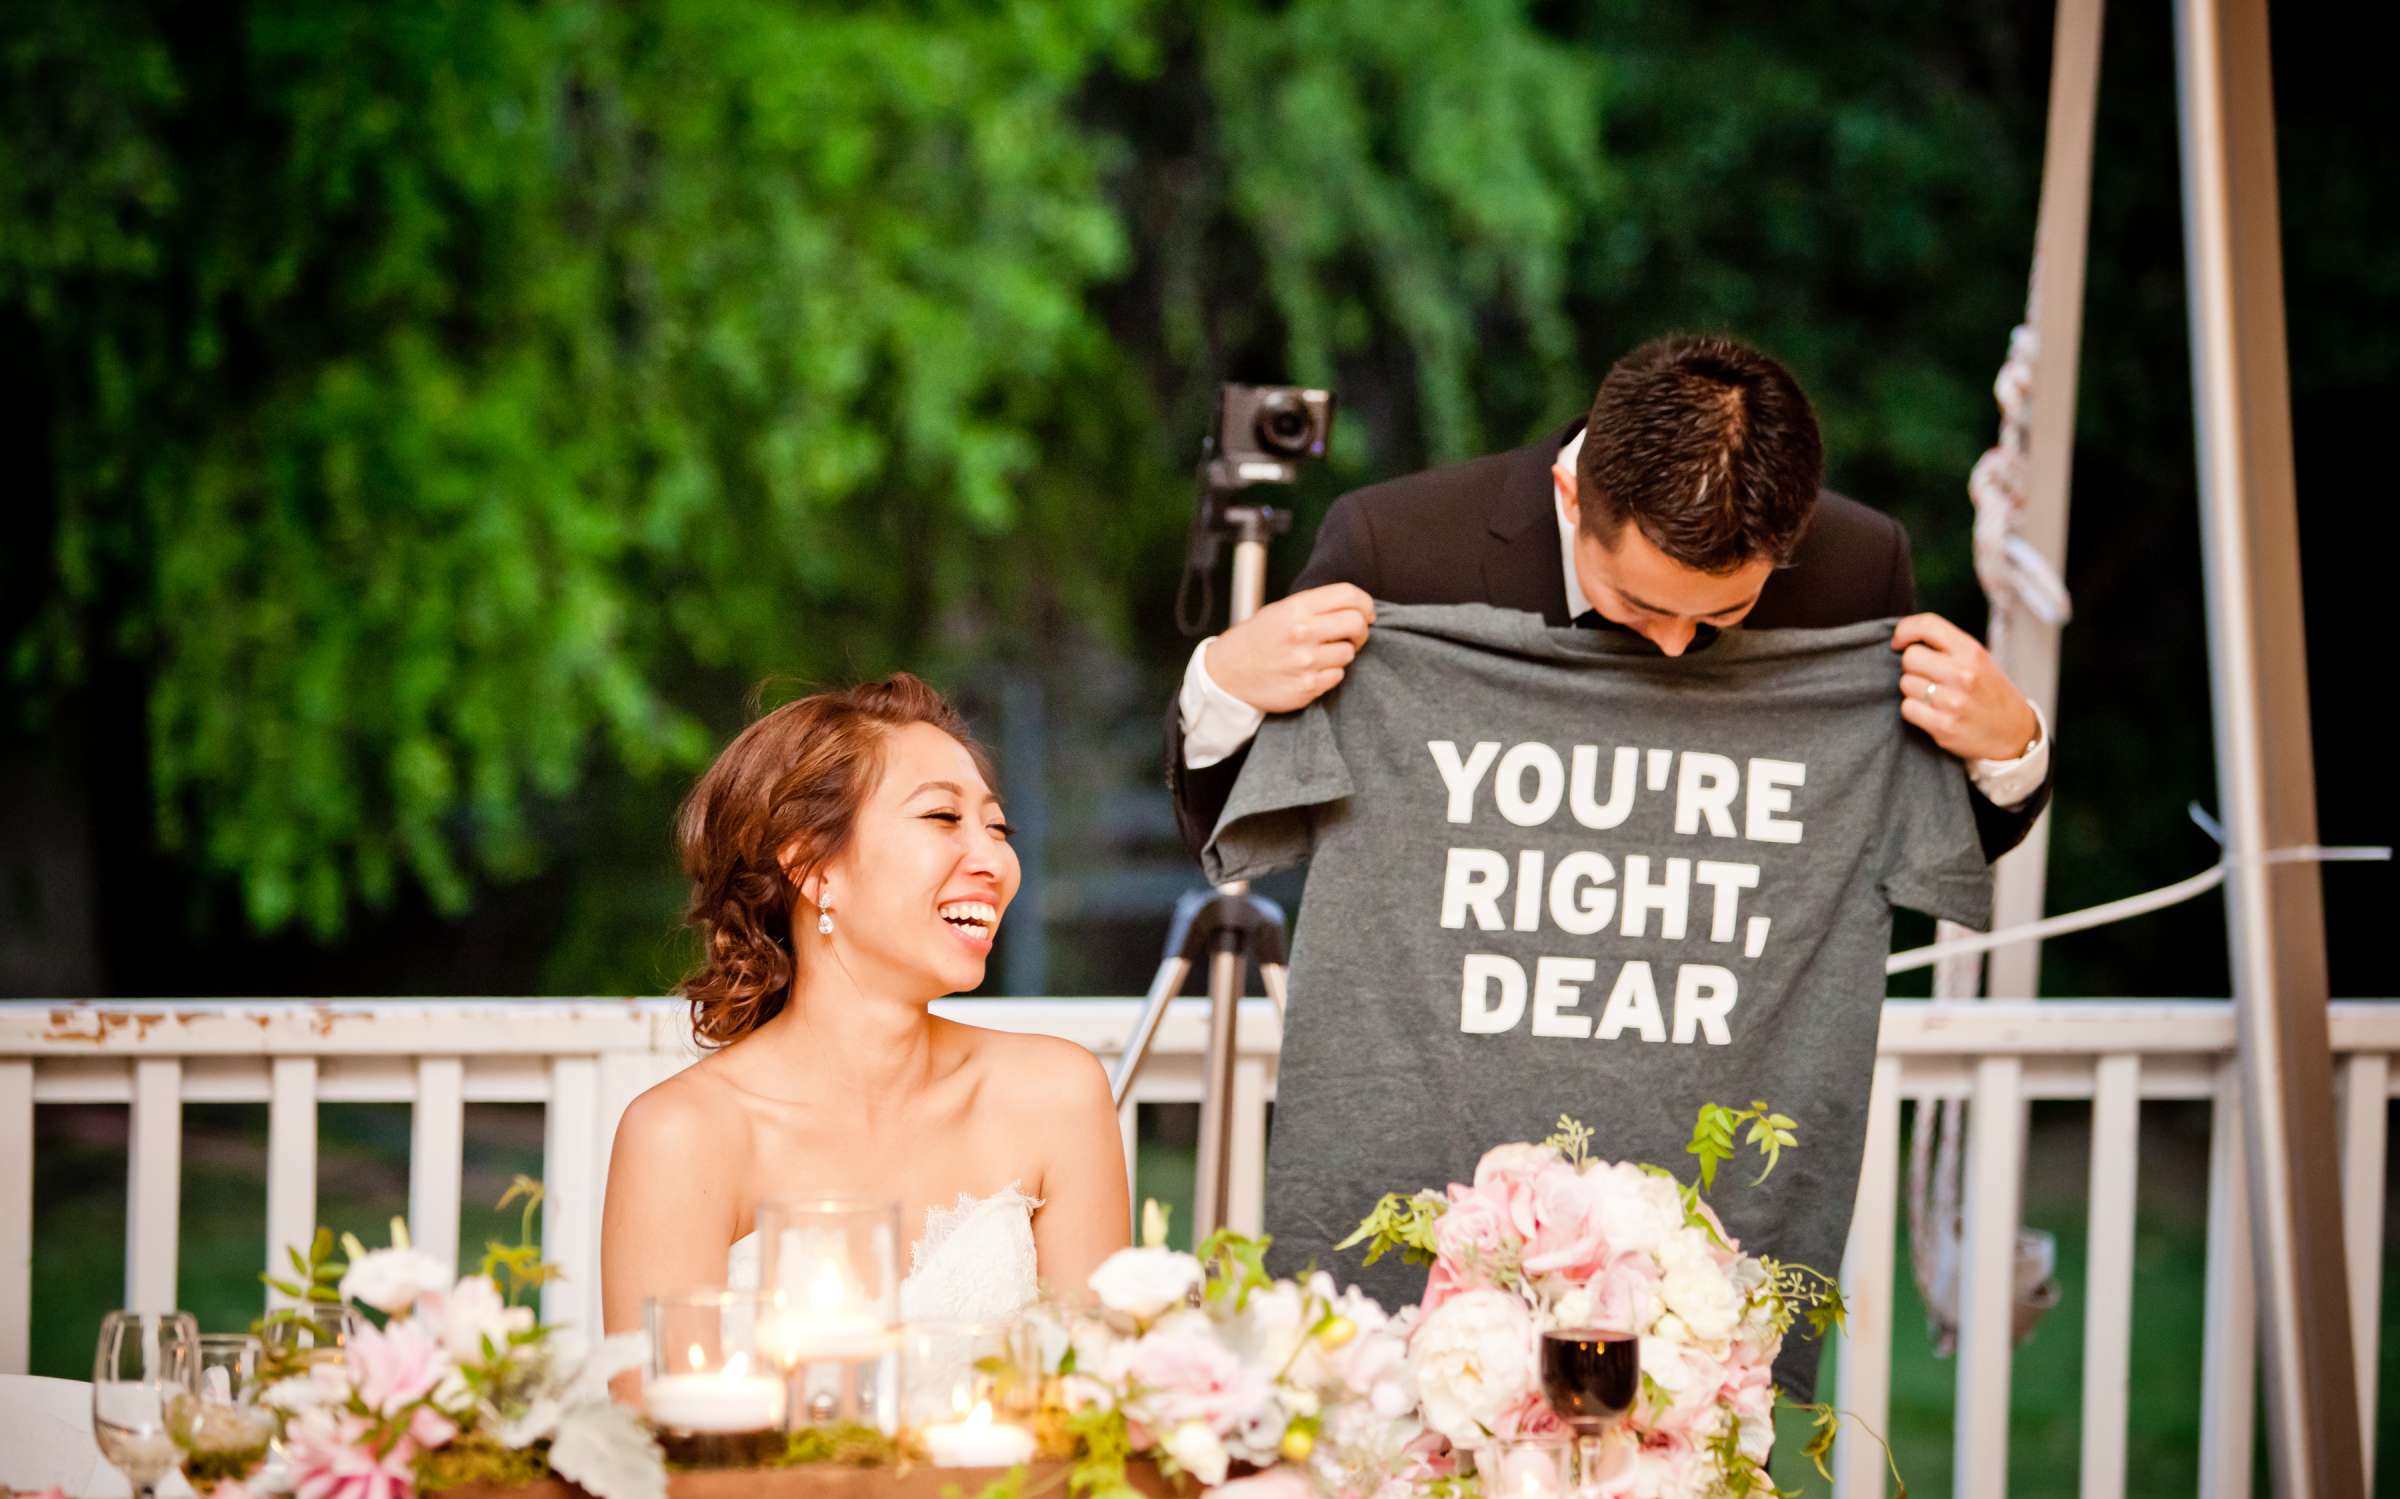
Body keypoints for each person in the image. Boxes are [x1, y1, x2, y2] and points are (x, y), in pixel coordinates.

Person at [1166, 333, 2052, 864]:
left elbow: (1924, 843)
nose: (1672, 646)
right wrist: (1225, 685)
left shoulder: (1856, 566)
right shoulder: (1396, 546)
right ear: (1570, 496)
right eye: (1639, 602)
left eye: (1721, 615)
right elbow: (1238, 831)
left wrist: (2008, 751)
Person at [602, 675, 1129, 1351]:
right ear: (814, 868)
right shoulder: (682, 1135)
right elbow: (657, 1434)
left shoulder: (1057, 1096)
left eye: (998, 827)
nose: (993, 859)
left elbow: (1101, 1410)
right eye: (943, 818)